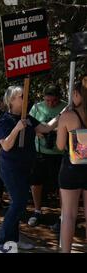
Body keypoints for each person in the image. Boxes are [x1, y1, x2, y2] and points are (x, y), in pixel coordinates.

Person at [0, 86, 62, 253]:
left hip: (25, 167)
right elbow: (6, 146)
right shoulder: (5, 120)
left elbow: (46, 128)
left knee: (19, 204)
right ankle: (1, 242)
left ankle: (13, 240)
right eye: (21, 96)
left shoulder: (29, 118)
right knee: (18, 203)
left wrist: (64, 113)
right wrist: (17, 128)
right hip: (10, 167)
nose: (25, 98)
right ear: (11, 100)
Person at [28, 84, 67, 228]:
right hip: (40, 152)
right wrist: (39, 132)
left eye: (54, 101)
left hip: (59, 153)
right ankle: (37, 211)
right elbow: (29, 125)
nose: (50, 103)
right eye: (48, 100)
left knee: (61, 186)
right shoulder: (37, 108)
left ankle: (63, 216)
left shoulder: (66, 108)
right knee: (36, 183)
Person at [56, 81, 87, 253]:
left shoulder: (68, 116)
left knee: (68, 214)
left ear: (77, 94)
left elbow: (60, 146)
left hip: (72, 167)